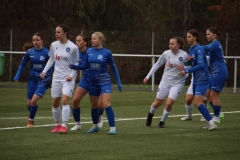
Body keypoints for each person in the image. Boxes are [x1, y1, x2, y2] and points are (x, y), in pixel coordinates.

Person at [69, 31, 122, 135]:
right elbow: (85, 66)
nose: (92, 40)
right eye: (91, 38)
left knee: (105, 103)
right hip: (92, 82)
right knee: (94, 106)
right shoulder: (89, 52)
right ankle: (95, 126)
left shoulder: (107, 53)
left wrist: (119, 82)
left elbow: (113, 67)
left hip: (104, 81)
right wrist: (74, 66)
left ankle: (112, 128)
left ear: (100, 40)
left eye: (94, 39)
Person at [40, 24, 79, 134]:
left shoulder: (73, 47)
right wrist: (44, 71)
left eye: (58, 32)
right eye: (56, 32)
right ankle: (57, 124)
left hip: (68, 78)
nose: (56, 34)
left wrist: (71, 75)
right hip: (56, 77)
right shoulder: (53, 45)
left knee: (65, 100)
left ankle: (64, 125)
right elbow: (51, 59)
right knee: (55, 102)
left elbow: (76, 63)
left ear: (65, 34)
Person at [144, 36, 189, 128]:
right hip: (165, 81)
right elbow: (157, 65)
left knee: (169, 103)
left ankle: (162, 122)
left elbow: (190, 68)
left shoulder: (184, 55)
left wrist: (185, 69)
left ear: (178, 45)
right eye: (169, 43)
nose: (170, 45)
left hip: (178, 83)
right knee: (157, 103)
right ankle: (150, 115)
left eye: (172, 44)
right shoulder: (166, 53)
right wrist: (148, 76)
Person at [178, 29, 217, 131]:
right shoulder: (191, 50)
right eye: (187, 37)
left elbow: (201, 65)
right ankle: (210, 122)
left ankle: (212, 122)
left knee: (197, 102)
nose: (187, 39)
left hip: (203, 79)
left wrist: (187, 71)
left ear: (195, 37)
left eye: (189, 37)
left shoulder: (198, 49)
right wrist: (186, 65)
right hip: (196, 79)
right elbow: (193, 63)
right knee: (196, 102)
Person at [13, 33, 53, 127]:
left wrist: (49, 75)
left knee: (34, 101)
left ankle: (30, 120)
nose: (35, 42)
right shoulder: (30, 52)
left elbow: (52, 65)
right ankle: (31, 115)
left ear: (42, 40)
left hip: (44, 79)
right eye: (34, 40)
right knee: (29, 104)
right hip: (32, 79)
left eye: (37, 40)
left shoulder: (47, 53)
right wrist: (17, 75)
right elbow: (23, 64)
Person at [71, 34, 104, 131]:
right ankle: (78, 124)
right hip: (85, 79)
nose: (76, 42)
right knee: (75, 100)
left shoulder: (91, 52)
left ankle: (99, 117)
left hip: (96, 80)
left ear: (85, 42)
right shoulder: (75, 53)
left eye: (79, 40)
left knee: (99, 106)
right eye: (76, 40)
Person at [201, 27, 228, 124]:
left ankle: (216, 117)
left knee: (213, 95)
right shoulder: (212, 45)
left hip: (220, 72)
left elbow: (206, 48)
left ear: (214, 35)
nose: (207, 36)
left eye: (209, 34)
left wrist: (196, 47)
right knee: (207, 93)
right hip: (214, 72)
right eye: (206, 34)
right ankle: (219, 112)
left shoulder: (215, 44)